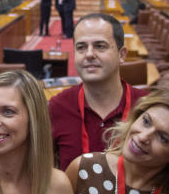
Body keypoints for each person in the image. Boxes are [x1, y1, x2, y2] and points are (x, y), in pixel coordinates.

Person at [49, 13, 149, 170]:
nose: (89, 54)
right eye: (81, 47)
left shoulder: (147, 107)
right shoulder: (57, 107)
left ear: (122, 55)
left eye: (100, 46)